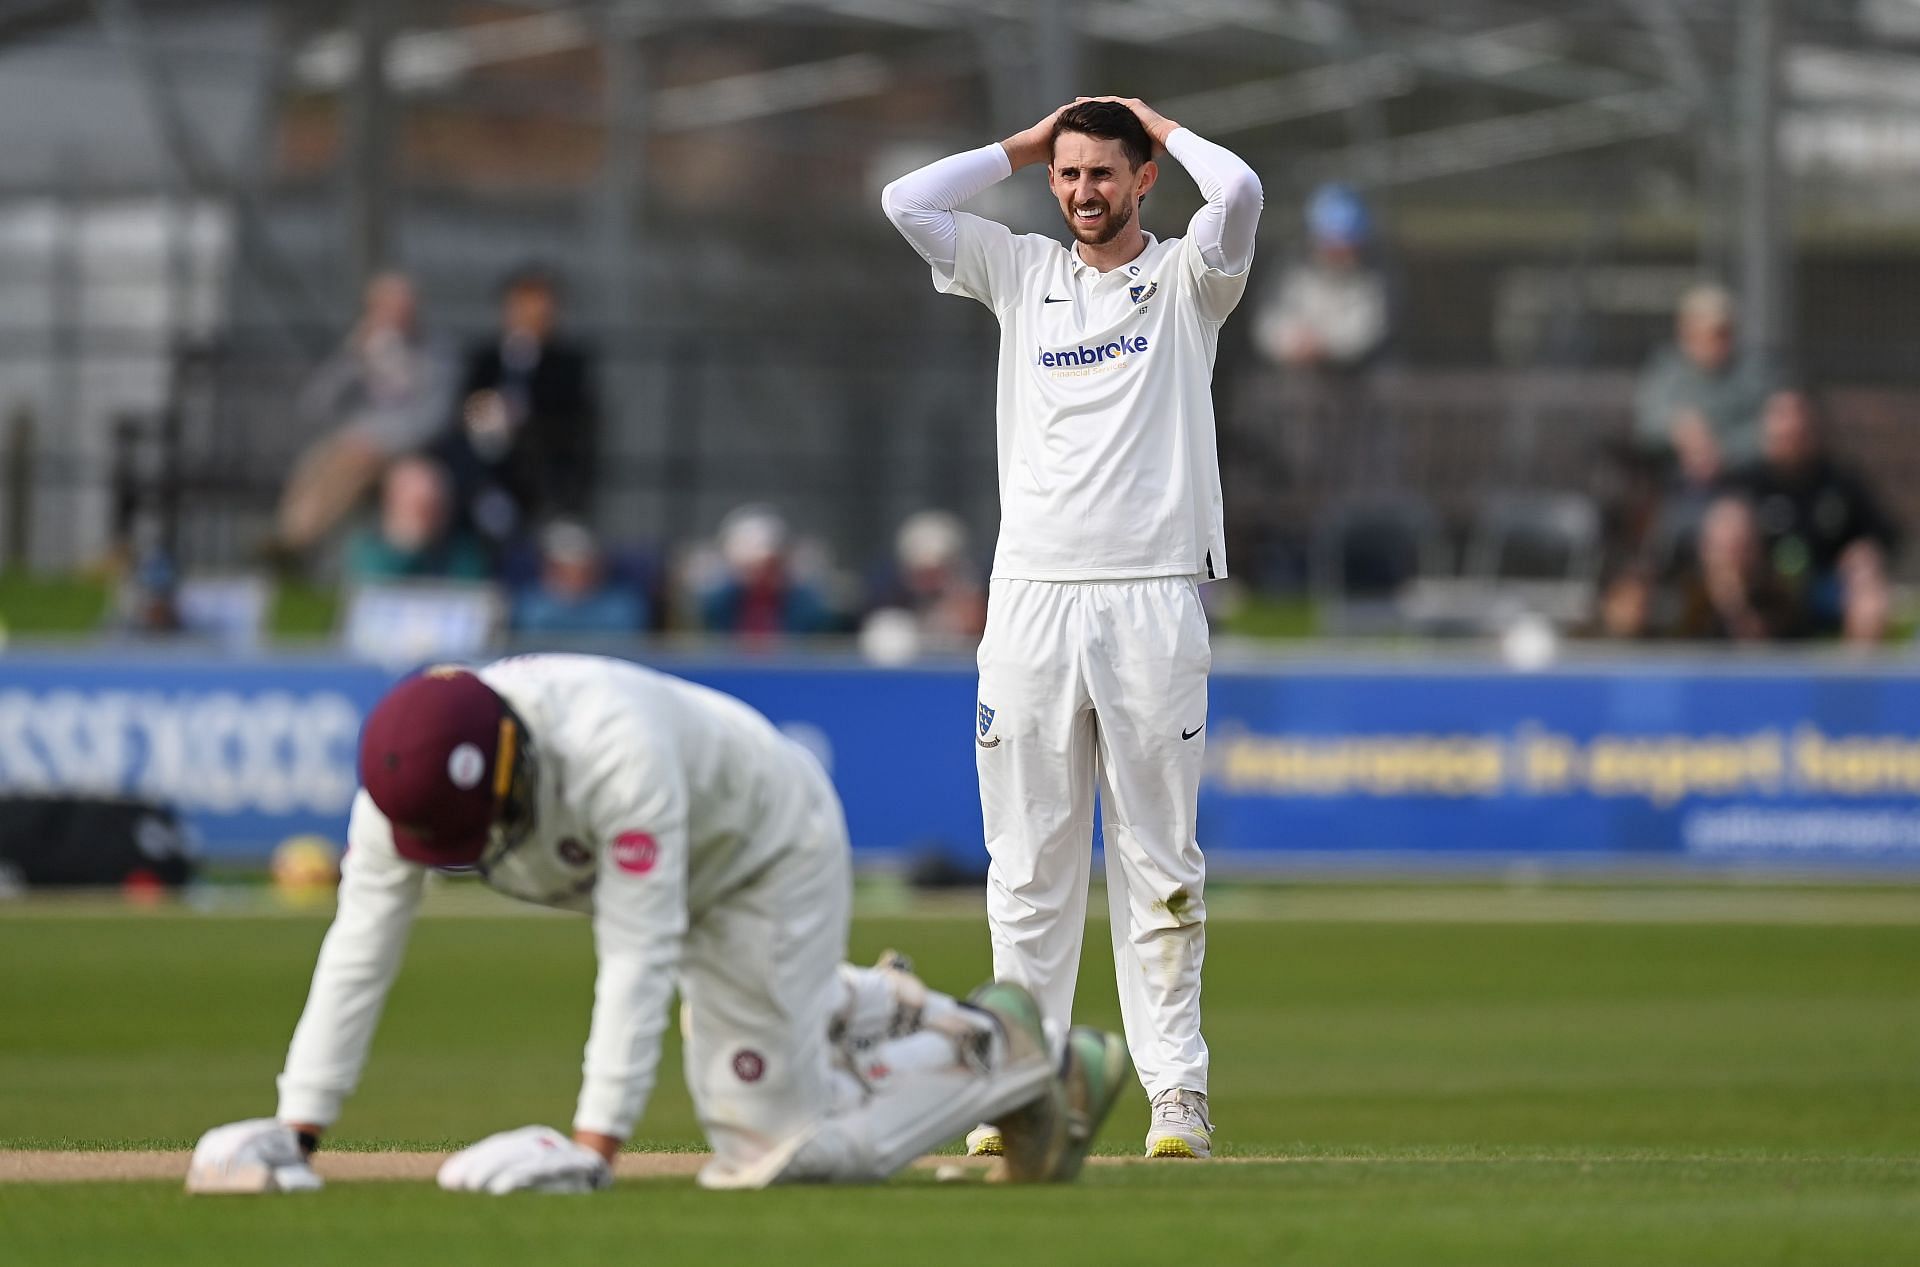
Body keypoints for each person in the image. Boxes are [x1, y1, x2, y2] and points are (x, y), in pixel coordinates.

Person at [187, 657, 1128, 1195]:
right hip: (705, 885)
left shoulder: (611, 751)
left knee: (768, 1150)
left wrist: (593, 1147)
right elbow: (358, 949)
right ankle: (906, 1010)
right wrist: (295, 1126)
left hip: (767, 847)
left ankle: (1013, 1055)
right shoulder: (402, 785)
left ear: (514, 753)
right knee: (751, 1016)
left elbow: (637, 955)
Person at [881, 96, 1261, 1159]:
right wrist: (1024, 142)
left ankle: (1176, 1094)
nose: (1085, 192)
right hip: (1033, 600)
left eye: (1105, 173)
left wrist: (1162, 124)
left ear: (1143, 179)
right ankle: (1016, 1088)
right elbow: (905, 200)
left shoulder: (1193, 277)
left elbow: (1238, 190)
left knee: (1159, 860)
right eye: (1070, 176)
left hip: (1151, 594)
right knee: (1029, 864)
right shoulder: (1020, 271)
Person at [271, 272, 458, 560]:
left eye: (401, 308)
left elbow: (434, 418)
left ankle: (292, 545)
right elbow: (316, 404)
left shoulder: (436, 353)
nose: (394, 316)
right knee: (315, 466)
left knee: (348, 468)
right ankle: (289, 541)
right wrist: (353, 356)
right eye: (385, 308)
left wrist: (377, 439)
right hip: (354, 446)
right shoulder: (361, 350)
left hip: (409, 450)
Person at [436, 268, 600, 553]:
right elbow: (463, 410)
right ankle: (483, 499)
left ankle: (499, 508)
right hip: (483, 453)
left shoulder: (567, 366)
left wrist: (520, 419)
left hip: (534, 461)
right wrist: (491, 413)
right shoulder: (485, 360)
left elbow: (573, 423)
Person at [1724, 388, 1897, 644]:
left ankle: (1855, 681)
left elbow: (1884, 536)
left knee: (1870, 600)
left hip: (1826, 587)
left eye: (1799, 428)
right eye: (1782, 426)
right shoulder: (1746, 483)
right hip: (1765, 589)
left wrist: (1865, 554)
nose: (1791, 433)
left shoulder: (1840, 482)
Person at [1251, 183, 1389, 375]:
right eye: (1332, 244)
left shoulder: (1371, 280)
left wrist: (1325, 345)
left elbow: (1369, 330)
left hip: (1352, 383)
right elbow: (1267, 326)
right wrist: (1293, 343)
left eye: (1347, 246)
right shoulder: (1291, 273)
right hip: (1287, 380)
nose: (1340, 253)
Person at [1634, 284, 1773, 471]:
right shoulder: (1666, 372)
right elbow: (1648, 426)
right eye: (1705, 334)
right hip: (1676, 481)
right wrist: (1681, 431)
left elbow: (1769, 432)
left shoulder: (1754, 375)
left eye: (1723, 333)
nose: (1715, 343)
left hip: (1743, 478)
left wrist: (1719, 451)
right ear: (1686, 333)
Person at [342, 455, 491, 582]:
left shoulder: (465, 555)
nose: (430, 517)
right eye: (419, 506)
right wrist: (409, 544)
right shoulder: (366, 554)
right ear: (393, 501)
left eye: (437, 506)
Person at [510, 520, 649, 636]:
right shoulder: (532, 605)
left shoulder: (623, 606)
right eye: (565, 568)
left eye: (582, 566)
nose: (574, 575)